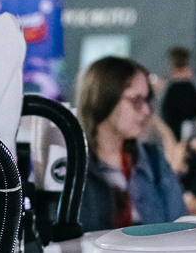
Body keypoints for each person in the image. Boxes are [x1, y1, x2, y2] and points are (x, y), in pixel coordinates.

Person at [77, 56, 186, 231]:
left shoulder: (153, 161)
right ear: (104, 97)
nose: (146, 111)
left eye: (148, 100)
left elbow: (180, 230)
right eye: (136, 101)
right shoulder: (73, 169)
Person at [159, 47, 196, 139]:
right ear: (190, 64)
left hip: (169, 139)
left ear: (171, 64)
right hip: (193, 137)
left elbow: (158, 117)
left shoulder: (163, 88)